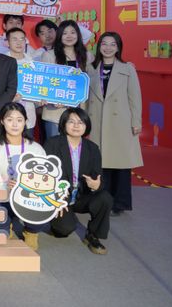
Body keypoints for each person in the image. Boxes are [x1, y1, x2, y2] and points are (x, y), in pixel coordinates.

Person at [87, 32, 142, 216]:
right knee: (100, 164)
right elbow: (86, 98)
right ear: (99, 46)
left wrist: (136, 121)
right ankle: (102, 201)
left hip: (120, 123)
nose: (108, 48)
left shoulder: (128, 69)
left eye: (113, 44)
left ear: (118, 48)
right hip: (97, 121)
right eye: (104, 43)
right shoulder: (91, 68)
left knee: (121, 165)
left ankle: (120, 203)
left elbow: (135, 98)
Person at [44, 108, 112, 255]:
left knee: (105, 198)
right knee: (64, 230)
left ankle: (93, 235)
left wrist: (96, 185)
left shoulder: (93, 148)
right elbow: (45, 176)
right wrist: (55, 197)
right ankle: (55, 222)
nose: (76, 126)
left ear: (86, 126)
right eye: (71, 122)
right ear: (63, 124)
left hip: (82, 196)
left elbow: (99, 178)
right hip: (60, 197)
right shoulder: (52, 144)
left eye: (80, 122)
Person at [0, 102, 45, 251]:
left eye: (19, 120)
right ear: (2, 121)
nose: (15, 124)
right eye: (10, 120)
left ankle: (31, 231)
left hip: (28, 197)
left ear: (26, 122)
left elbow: (44, 179)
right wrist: (5, 186)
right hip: (1, 196)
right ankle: (6, 224)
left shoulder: (36, 148)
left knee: (44, 205)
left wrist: (26, 186)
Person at [39, 20, 90, 139]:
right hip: (55, 112)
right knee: (56, 147)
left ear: (78, 35)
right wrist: (52, 99)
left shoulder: (87, 56)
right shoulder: (49, 55)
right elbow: (44, 83)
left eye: (73, 32)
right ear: (59, 35)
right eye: (65, 33)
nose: (69, 36)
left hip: (79, 112)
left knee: (76, 148)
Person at [5, 27, 37, 137]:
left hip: (28, 113)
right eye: (14, 39)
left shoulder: (33, 63)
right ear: (7, 42)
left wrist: (41, 99)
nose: (19, 43)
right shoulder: (1, 62)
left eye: (22, 39)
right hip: (7, 112)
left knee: (27, 143)